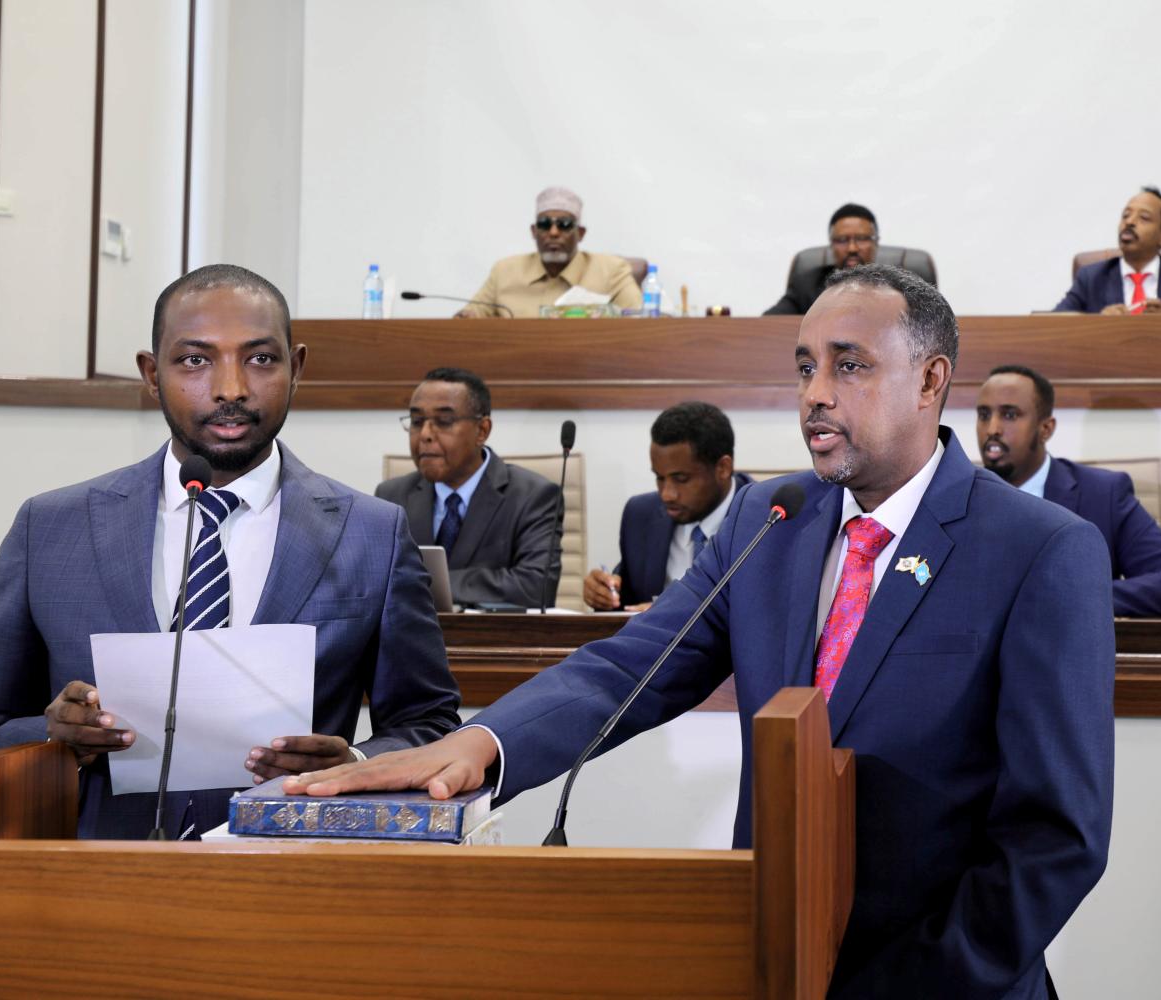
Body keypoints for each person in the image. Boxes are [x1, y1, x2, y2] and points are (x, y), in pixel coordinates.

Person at [287, 264, 1116, 998]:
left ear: (930, 379)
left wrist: (916, 981)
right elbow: (634, 664)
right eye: (804, 368)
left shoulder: (1039, 550)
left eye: (849, 366)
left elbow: (1055, 838)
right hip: (770, 957)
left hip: (945, 980)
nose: (815, 394)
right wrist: (484, 745)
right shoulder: (772, 515)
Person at [0, 264, 461, 839]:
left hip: (295, 884)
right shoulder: (51, 528)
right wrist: (55, 737)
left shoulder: (372, 533)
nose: (231, 388)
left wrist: (354, 764)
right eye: (194, 361)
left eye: (260, 359)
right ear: (152, 375)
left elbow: (427, 723)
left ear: (297, 368)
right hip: (92, 887)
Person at [976, 364, 1161, 617]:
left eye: (1010, 415)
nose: (992, 429)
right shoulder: (956, 492)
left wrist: (1073, 597)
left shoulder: (1103, 495)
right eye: (984, 414)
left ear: (1046, 429)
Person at [376, 368, 561, 609]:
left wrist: (423, 581)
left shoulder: (533, 496)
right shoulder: (391, 496)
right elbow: (374, 583)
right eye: (417, 421)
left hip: (493, 642)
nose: (425, 435)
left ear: (482, 430)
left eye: (444, 421)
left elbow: (536, 587)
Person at [583, 401, 752, 611]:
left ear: (723, 468)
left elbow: (767, 615)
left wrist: (667, 612)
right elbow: (627, 599)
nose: (667, 494)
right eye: (659, 478)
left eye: (681, 479)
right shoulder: (640, 515)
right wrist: (603, 594)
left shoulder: (767, 519)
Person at [456, 186, 642, 318]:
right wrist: (466, 317)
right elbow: (469, 317)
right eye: (545, 224)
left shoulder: (611, 271)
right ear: (534, 232)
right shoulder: (504, 271)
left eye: (564, 225)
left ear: (580, 233)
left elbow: (641, 319)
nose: (553, 233)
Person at [764, 203, 883, 315]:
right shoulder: (807, 285)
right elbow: (768, 323)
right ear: (831, 245)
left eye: (861, 238)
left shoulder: (896, 285)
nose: (852, 248)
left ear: (876, 242)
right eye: (842, 240)